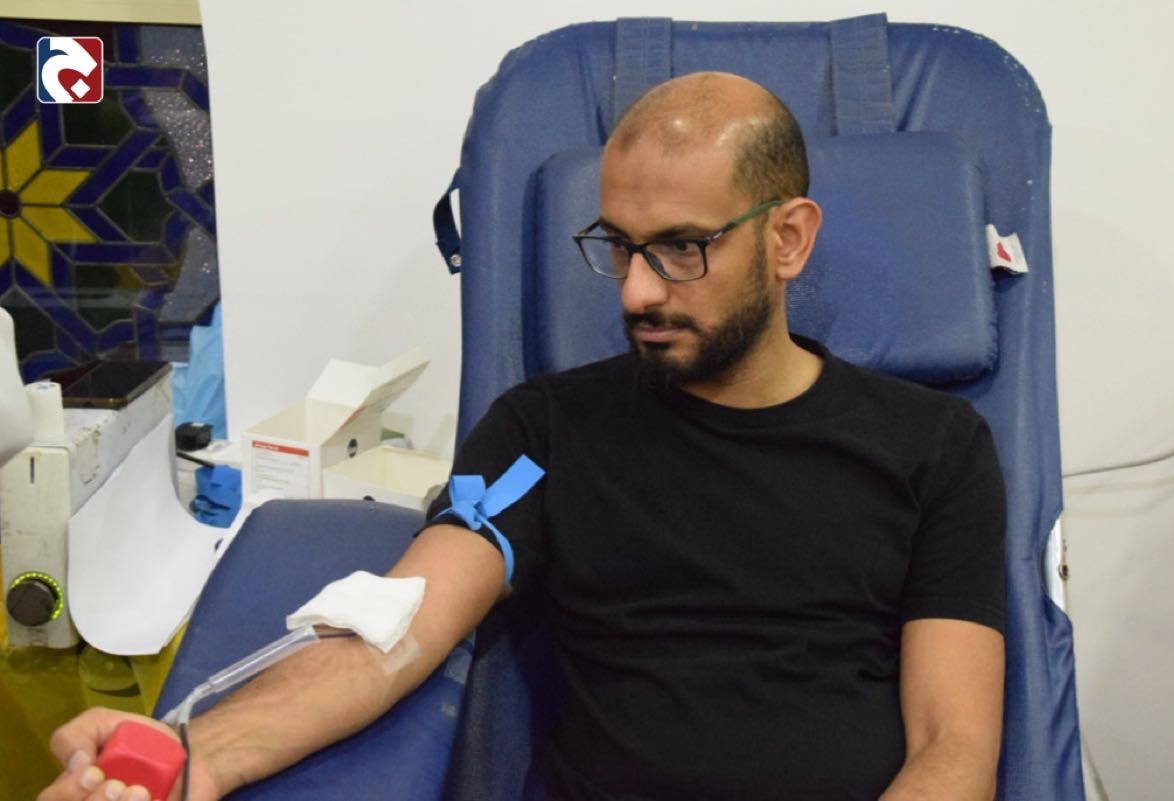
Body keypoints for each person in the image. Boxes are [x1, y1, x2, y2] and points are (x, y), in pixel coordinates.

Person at [38, 72, 1005, 801]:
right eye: (618, 245)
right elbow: (395, 628)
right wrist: (198, 754)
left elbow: (953, 747)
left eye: (681, 247)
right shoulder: (544, 434)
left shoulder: (933, 447)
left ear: (787, 238)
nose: (636, 291)